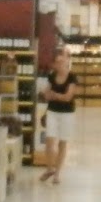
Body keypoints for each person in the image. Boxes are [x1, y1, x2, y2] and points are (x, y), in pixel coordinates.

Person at [39, 47, 79, 184]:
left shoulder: (72, 77)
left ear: (67, 62)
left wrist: (54, 95)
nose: (59, 65)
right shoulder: (52, 76)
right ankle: (50, 168)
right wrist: (49, 95)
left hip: (67, 114)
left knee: (62, 142)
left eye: (61, 62)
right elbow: (46, 94)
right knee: (49, 140)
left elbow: (68, 97)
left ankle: (57, 173)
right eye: (57, 62)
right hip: (52, 111)